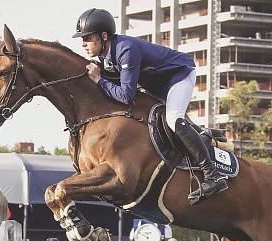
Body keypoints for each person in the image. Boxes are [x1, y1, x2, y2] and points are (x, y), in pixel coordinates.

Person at [73, 8, 227, 204]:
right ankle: (206, 136)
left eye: (88, 37)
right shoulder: (106, 55)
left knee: (174, 120)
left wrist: (99, 81)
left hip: (179, 76)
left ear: (104, 36)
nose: (83, 43)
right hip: (159, 83)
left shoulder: (125, 50)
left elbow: (126, 96)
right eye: (82, 38)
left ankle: (212, 175)